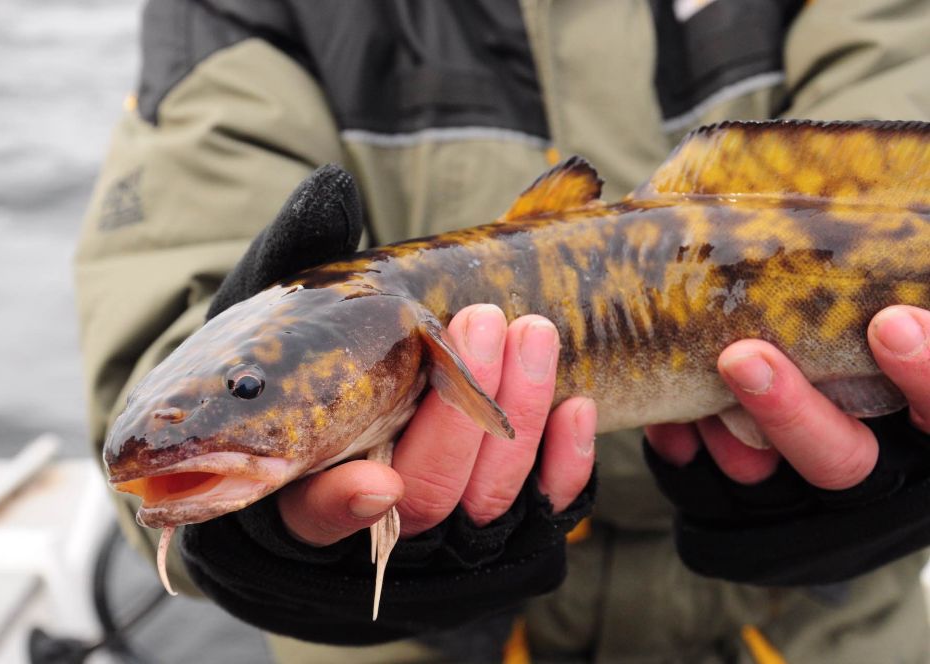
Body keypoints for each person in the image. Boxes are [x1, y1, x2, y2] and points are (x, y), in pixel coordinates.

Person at [76, 1, 930, 661]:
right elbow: (163, 329)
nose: (239, 398)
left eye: (248, 390)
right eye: (244, 388)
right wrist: (261, 553)